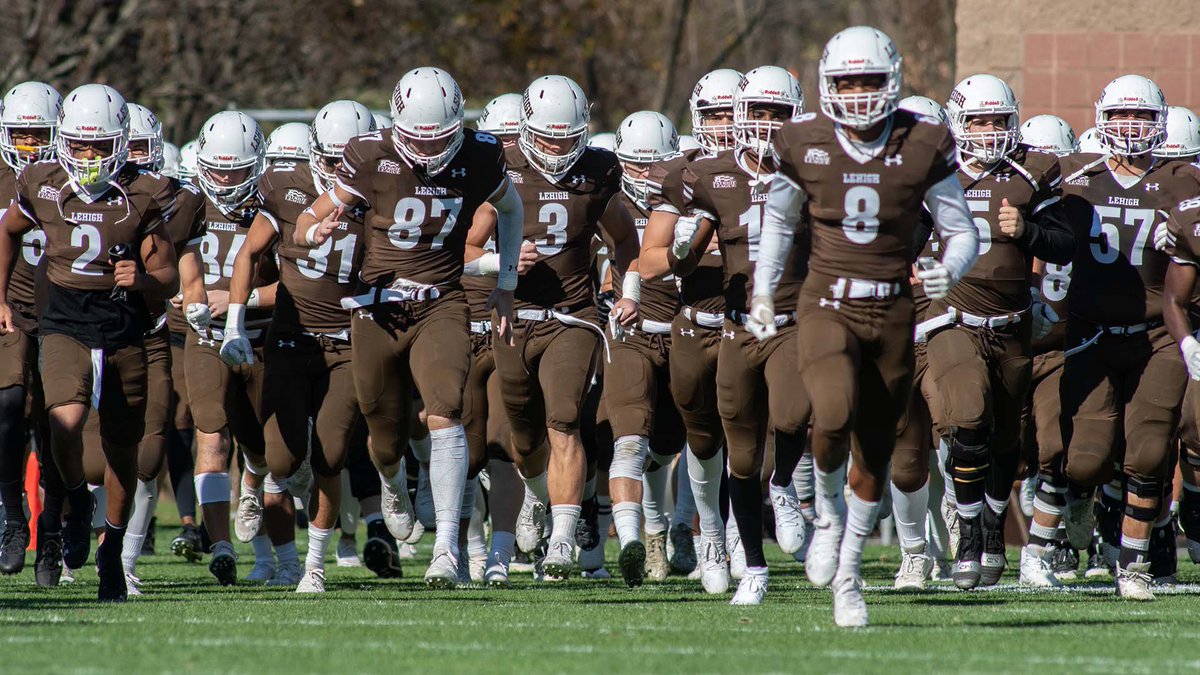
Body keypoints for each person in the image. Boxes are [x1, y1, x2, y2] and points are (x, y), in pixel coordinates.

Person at [750, 26, 978, 626]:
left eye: (868, 81)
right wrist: (763, 290)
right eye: (846, 82)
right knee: (831, 410)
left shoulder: (923, 141)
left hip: (893, 311)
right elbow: (777, 222)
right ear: (827, 86)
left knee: (876, 449)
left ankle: (849, 576)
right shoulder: (803, 140)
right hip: (827, 302)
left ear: (892, 83)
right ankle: (825, 512)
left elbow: (962, 231)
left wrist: (947, 272)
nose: (856, 94)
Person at [295, 67, 522, 588]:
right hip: (378, 307)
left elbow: (511, 208)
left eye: (440, 136)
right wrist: (314, 232)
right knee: (382, 430)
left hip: (441, 301)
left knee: (446, 410)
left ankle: (445, 549)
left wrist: (505, 283)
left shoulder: (479, 154)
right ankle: (394, 482)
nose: (429, 150)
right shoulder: (368, 153)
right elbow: (310, 218)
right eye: (419, 138)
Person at [0, 84, 179, 601]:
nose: (88, 157)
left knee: (125, 449)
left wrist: (142, 280)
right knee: (65, 418)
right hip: (64, 323)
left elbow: (167, 274)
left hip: (122, 331)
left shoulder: (143, 193)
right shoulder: (43, 182)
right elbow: (8, 231)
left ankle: (113, 550)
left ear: (120, 144)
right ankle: (76, 497)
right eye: (79, 145)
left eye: (99, 146)